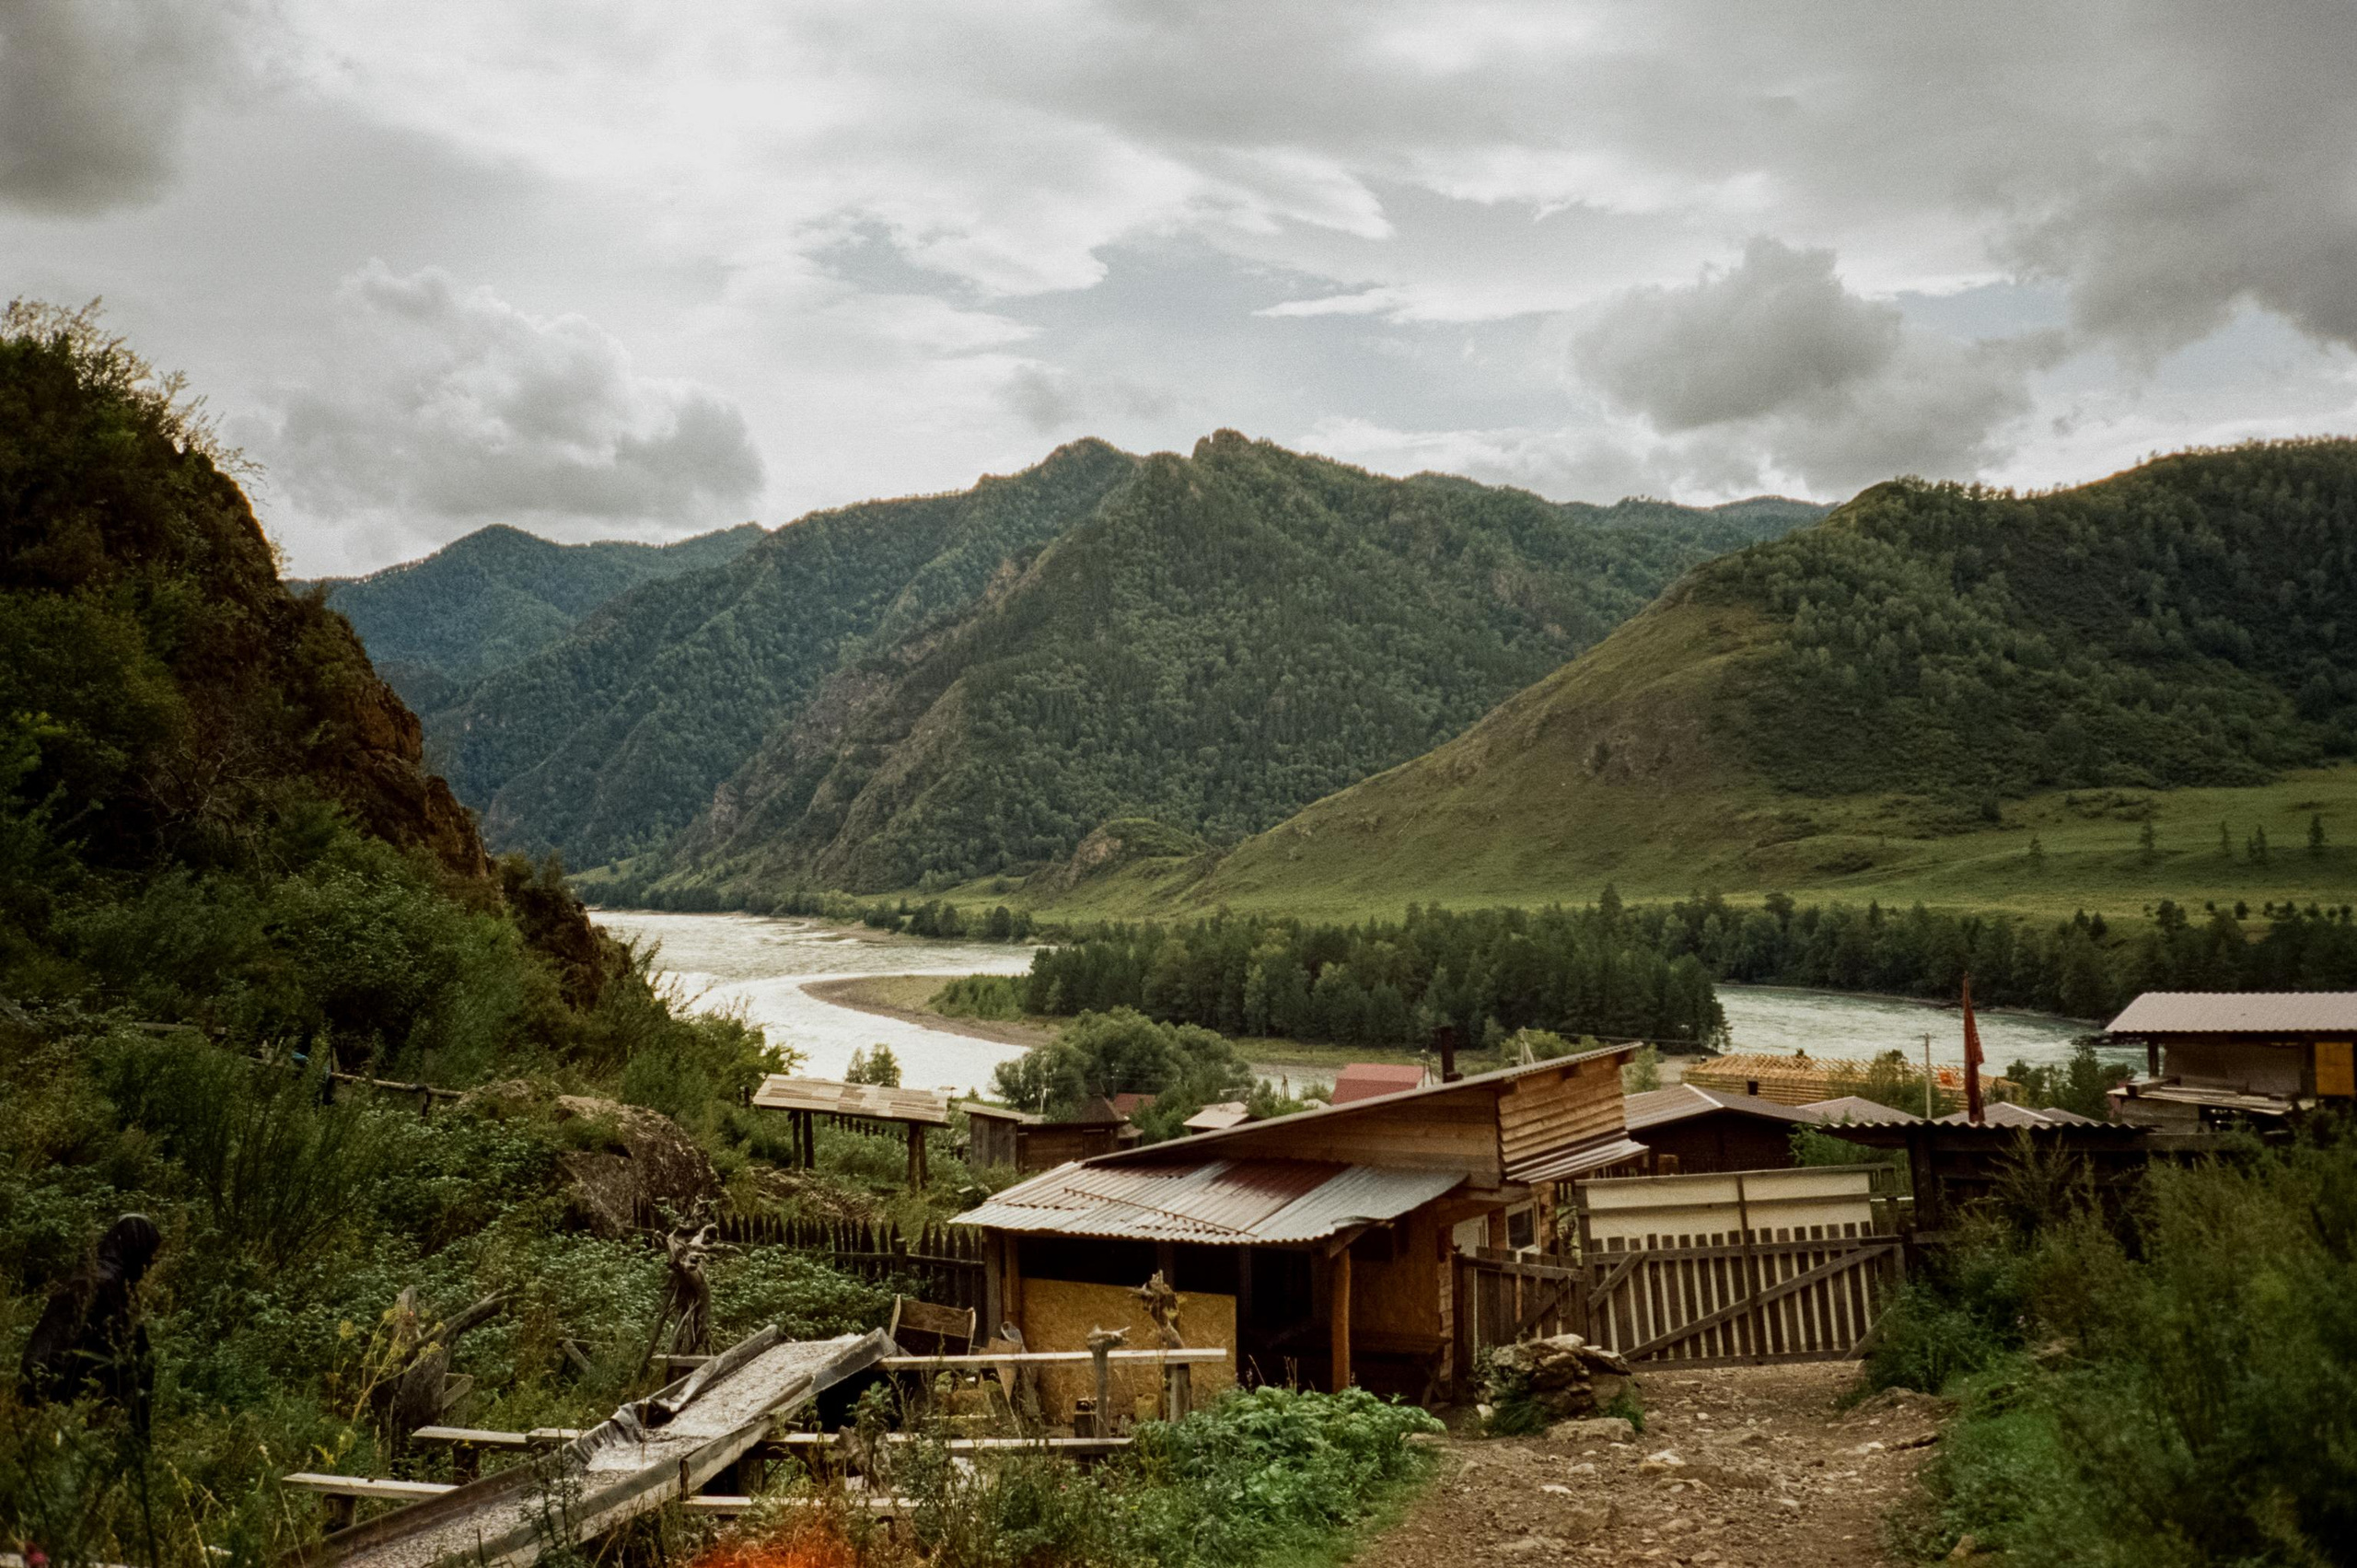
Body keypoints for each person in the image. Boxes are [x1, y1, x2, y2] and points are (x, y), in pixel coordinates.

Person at [17, 1214, 162, 1432]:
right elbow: (49, 1352)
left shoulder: (111, 1284)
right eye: (148, 1255)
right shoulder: (99, 1285)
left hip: (71, 1408)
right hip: (64, 1411)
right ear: (136, 1247)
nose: (149, 1264)